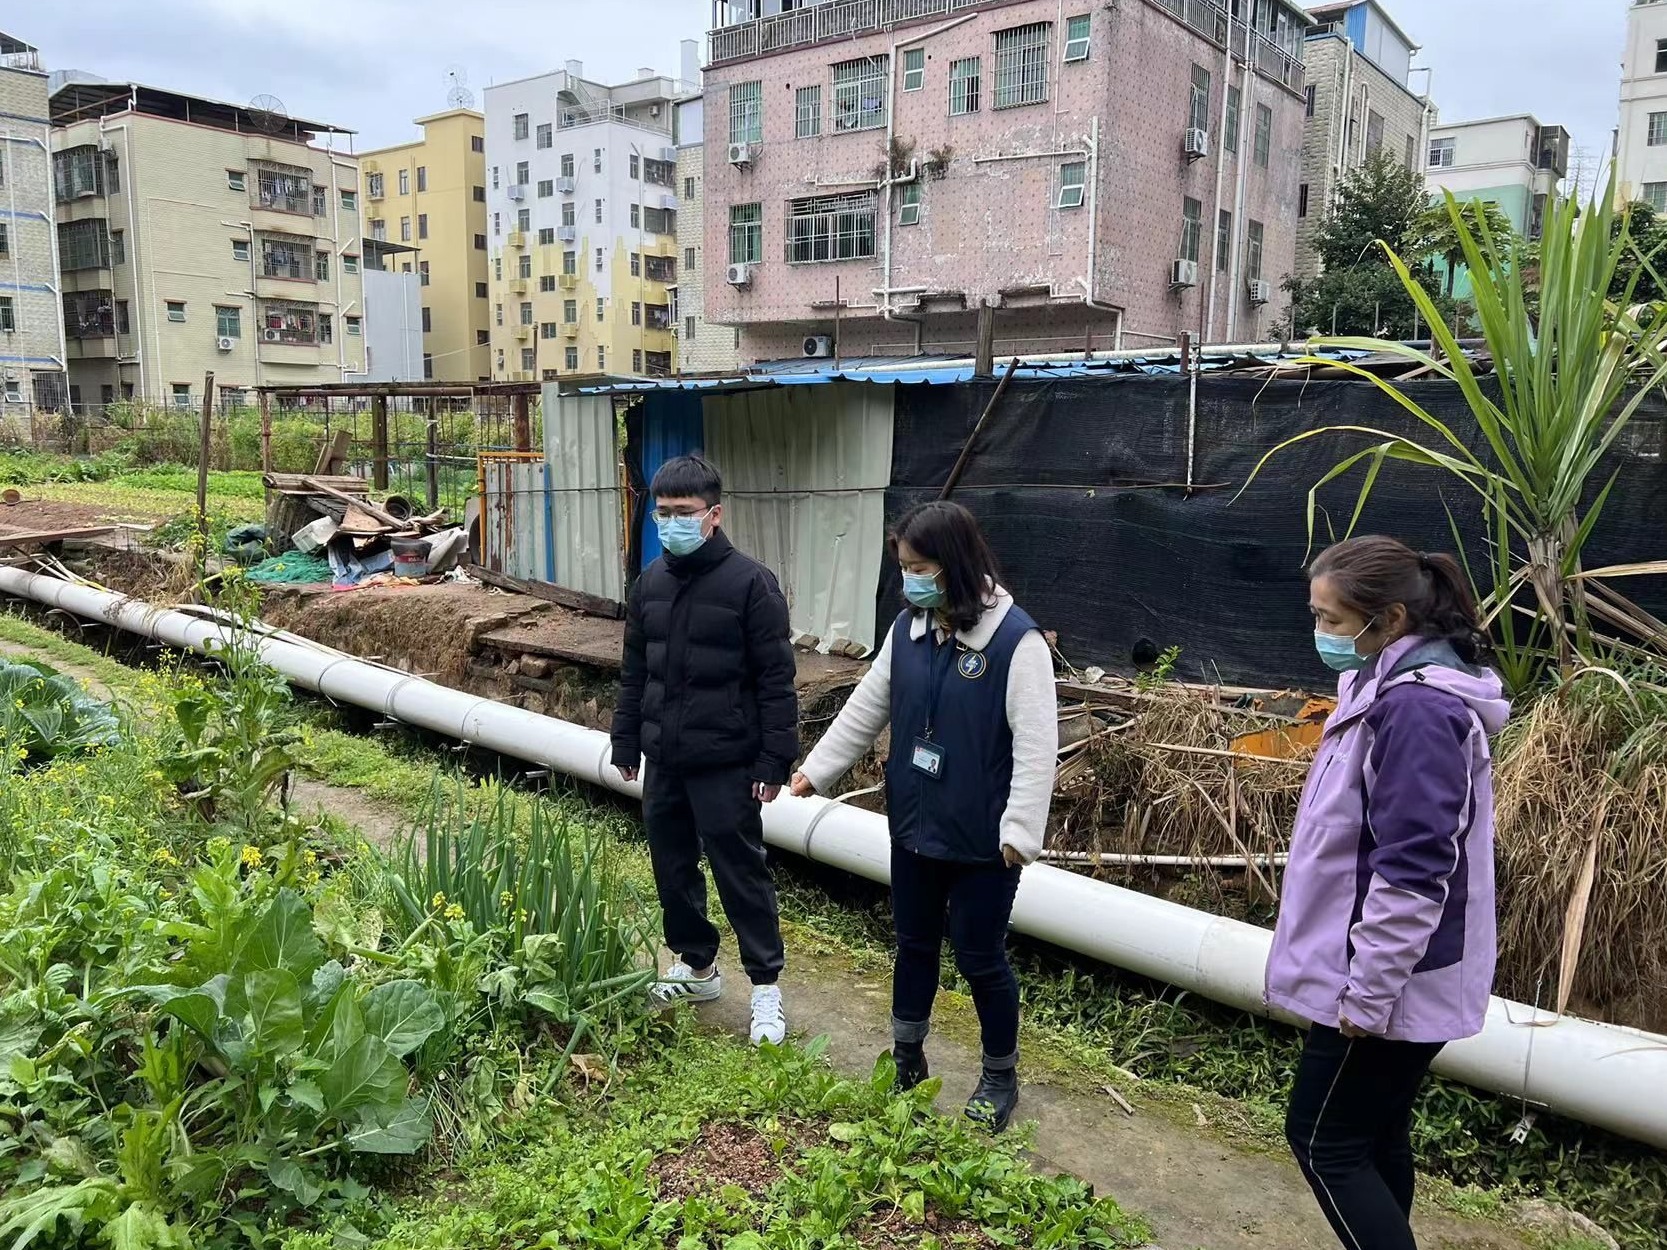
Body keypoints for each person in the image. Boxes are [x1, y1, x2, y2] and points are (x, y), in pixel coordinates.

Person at [1268, 535, 1510, 1250]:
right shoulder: (1380, 688)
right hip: (1382, 972)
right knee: (1371, 1138)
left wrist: (1366, 995)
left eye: (1332, 622)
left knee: (1322, 1141)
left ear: (1391, 620)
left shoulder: (1415, 712)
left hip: (1383, 979)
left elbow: (1411, 870)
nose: (1320, 635)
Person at [791, 501, 1057, 1132]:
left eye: (920, 567)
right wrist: (814, 771)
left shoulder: (1015, 642)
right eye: (903, 567)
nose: (908, 578)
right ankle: (906, 1055)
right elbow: (866, 707)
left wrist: (1019, 834)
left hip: (983, 844)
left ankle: (999, 1075)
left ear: (956, 566)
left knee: (979, 956)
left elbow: (1037, 747)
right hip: (912, 826)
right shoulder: (908, 631)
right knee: (912, 945)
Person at [611, 454, 799, 1046]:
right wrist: (625, 739)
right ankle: (697, 965)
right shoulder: (651, 584)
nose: (671, 524)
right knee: (672, 867)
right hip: (665, 758)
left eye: (684, 513)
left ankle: (765, 987)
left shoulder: (750, 584)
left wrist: (774, 760)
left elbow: (776, 680)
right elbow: (635, 672)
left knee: (739, 871)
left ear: (713, 515)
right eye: (662, 514)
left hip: (727, 760)